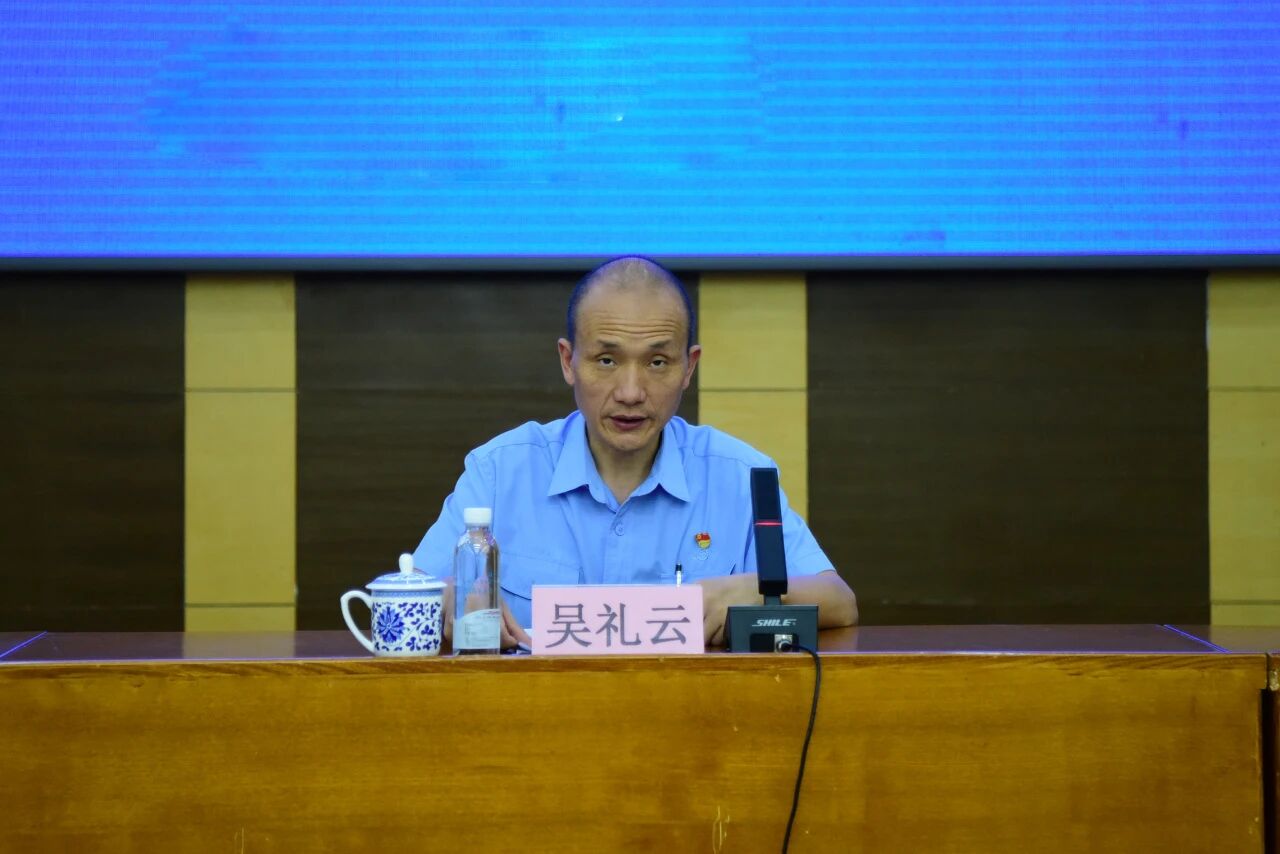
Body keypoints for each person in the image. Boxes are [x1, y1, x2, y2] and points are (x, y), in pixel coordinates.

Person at [412, 256, 857, 647]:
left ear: (689, 368)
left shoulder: (740, 475)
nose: (630, 392)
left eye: (657, 362)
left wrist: (756, 590)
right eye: (606, 361)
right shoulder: (500, 471)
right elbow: (413, 592)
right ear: (568, 361)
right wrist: (450, 598)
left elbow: (839, 601)